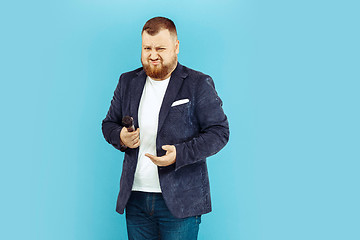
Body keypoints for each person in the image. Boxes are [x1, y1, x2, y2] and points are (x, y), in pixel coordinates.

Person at [102, 16, 229, 240]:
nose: (153, 55)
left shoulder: (198, 83)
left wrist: (180, 154)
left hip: (181, 201)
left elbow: (219, 132)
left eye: (160, 48)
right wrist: (120, 137)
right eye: (147, 48)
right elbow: (108, 124)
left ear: (176, 47)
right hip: (136, 199)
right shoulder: (127, 82)